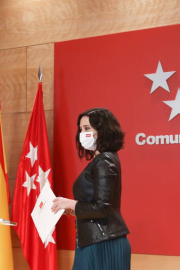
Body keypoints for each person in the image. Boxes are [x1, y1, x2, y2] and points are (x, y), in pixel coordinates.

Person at [52, 107, 131, 270]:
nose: (82, 133)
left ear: (102, 130)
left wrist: (71, 203)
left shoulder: (104, 160)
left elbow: (102, 208)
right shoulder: (102, 160)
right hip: (92, 240)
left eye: (87, 128)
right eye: (81, 129)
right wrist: (70, 209)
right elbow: (95, 206)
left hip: (102, 243)